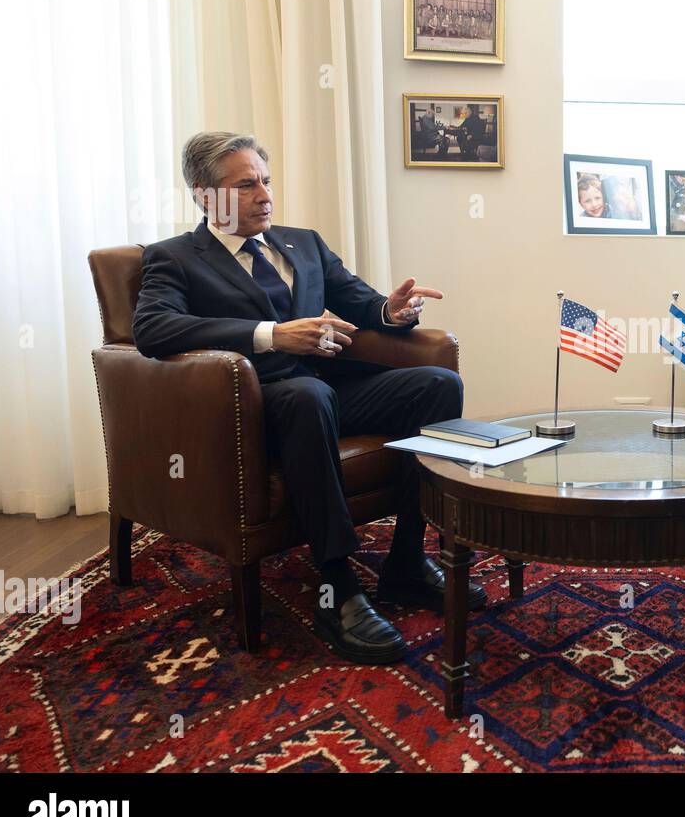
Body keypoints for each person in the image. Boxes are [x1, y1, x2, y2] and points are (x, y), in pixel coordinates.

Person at [133, 132, 486, 665]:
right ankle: (338, 585)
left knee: (438, 383)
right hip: (255, 404)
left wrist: (392, 311)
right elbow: (152, 329)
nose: (264, 195)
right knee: (305, 393)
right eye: (246, 185)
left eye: (266, 181)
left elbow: (362, 304)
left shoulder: (304, 243)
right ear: (205, 196)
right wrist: (271, 335)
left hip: (331, 393)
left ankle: (408, 559)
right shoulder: (176, 258)